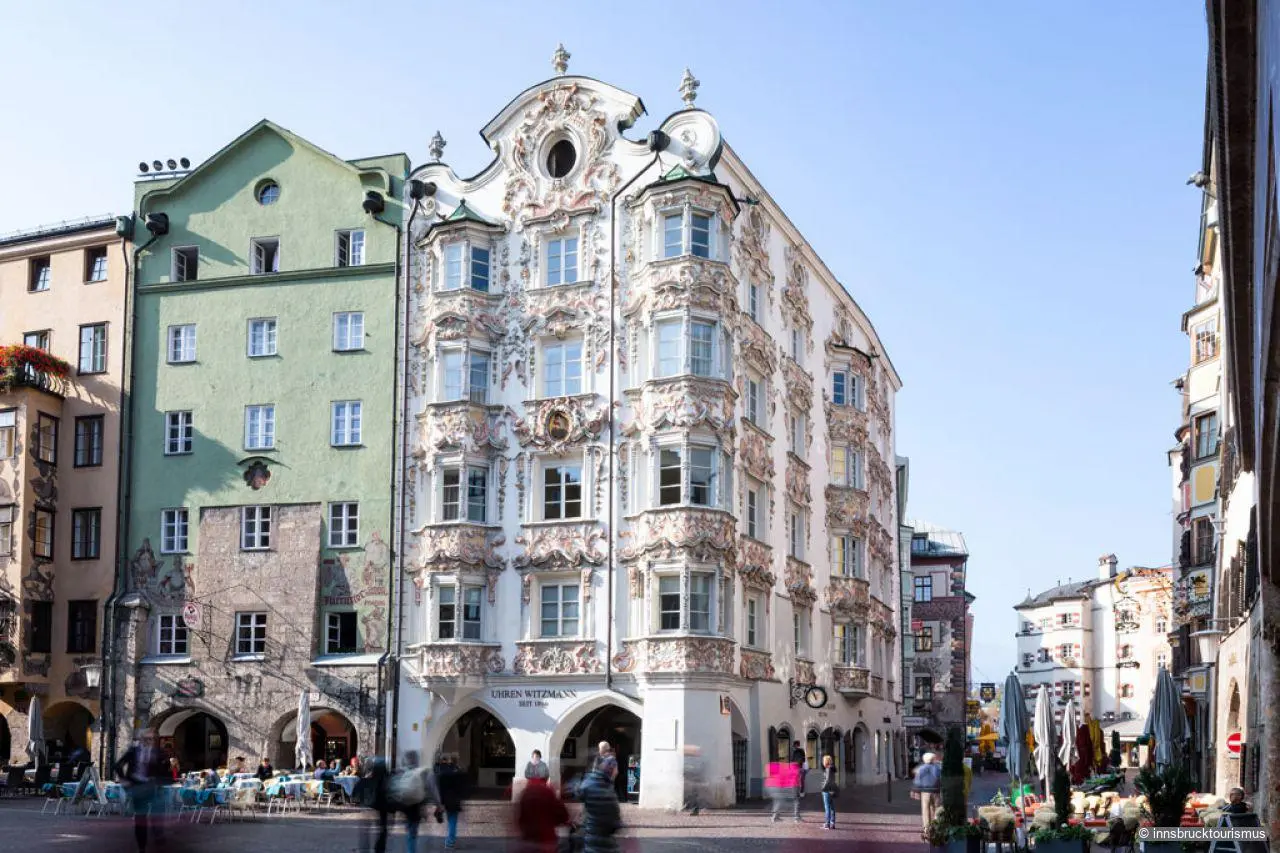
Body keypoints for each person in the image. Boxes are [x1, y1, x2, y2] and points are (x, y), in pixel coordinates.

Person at [113, 729, 169, 853]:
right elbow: (118, 765)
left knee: (158, 814)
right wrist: (124, 781)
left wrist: (162, 779)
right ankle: (141, 847)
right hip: (138, 786)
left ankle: (158, 835)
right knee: (140, 819)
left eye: (152, 739)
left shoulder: (158, 752)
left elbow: (165, 770)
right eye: (147, 739)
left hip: (152, 786)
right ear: (141, 739)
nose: (150, 741)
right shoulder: (133, 751)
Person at [390, 750, 441, 853]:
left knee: (410, 831)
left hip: (405, 806)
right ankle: (412, 849)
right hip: (417, 805)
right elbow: (432, 790)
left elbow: (393, 789)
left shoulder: (401, 772)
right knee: (413, 832)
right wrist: (438, 804)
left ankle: (411, 848)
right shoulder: (422, 773)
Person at [515, 775, 573, 853]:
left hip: (528, 839)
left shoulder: (525, 793)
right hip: (546, 839)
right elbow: (562, 814)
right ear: (545, 780)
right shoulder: (547, 792)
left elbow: (520, 817)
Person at [579, 755, 622, 853]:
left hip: (589, 837)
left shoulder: (588, 782)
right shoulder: (609, 793)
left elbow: (580, 795)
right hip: (604, 844)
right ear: (610, 772)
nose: (617, 773)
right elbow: (615, 823)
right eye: (615, 770)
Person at [436, 756, 468, 850]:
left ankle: (450, 840)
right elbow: (462, 787)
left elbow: (440, 789)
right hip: (455, 799)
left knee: (450, 820)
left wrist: (440, 802)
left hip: (446, 800)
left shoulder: (443, 772)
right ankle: (450, 841)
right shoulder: (458, 772)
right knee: (452, 821)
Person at [912, 752, 942, 832]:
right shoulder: (938, 768)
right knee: (936, 809)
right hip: (936, 791)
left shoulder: (921, 768)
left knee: (925, 810)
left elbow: (917, 781)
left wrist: (915, 791)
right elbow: (941, 779)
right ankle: (936, 827)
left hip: (925, 792)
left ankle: (926, 828)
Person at [682, 745, 704, 815]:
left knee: (693, 795)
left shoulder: (693, 761)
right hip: (692, 780)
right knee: (693, 795)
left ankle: (693, 808)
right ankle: (692, 808)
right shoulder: (695, 761)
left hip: (692, 781)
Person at [820, 754, 839, 830]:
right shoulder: (832, 769)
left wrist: (823, 788)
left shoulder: (828, 769)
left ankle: (827, 824)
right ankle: (832, 823)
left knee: (827, 807)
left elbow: (827, 780)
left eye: (823, 761)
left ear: (826, 761)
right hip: (832, 790)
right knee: (832, 807)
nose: (822, 762)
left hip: (827, 790)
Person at [790, 740, 808, 820]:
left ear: (796, 745)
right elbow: (803, 760)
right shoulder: (800, 752)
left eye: (794, 746)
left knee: (796, 799)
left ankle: (797, 816)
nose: (794, 747)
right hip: (798, 772)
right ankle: (797, 816)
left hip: (796, 773)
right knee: (797, 799)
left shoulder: (797, 752)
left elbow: (797, 761)